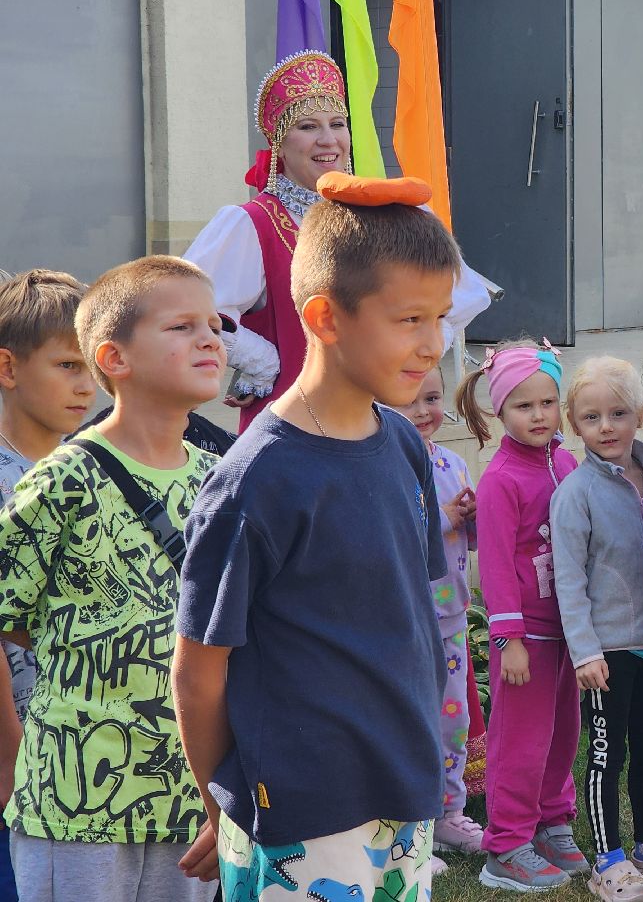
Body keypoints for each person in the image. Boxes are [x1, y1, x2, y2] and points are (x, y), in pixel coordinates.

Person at [172, 177, 462, 900]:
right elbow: (197, 672)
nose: (433, 346)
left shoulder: (401, 441)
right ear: (326, 317)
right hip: (296, 813)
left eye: (441, 317)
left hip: (402, 788)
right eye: (409, 320)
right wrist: (221, 804)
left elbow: (405, 618)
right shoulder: (254, 483)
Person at [0, 256, 227, 902]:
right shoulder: (62, 480)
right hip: (74, 806)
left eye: (215, 324)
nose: (210, 338)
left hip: (186, 803)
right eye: (182, 326)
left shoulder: (221, 481)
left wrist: (223, 789)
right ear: (115, 359)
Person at [183, 50, 497, 431]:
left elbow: (462, 295)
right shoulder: (251, 225)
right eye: (308, 127)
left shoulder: (384, 212)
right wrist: (265, 362)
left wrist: (413, 352)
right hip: (292, 428)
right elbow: (192, 309)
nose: (328, 140)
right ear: (279, 142)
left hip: (380, 425)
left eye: (337, 124)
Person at [551, 356, 643, 902]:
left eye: (617, 413)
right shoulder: (575, 494)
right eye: (591, 418)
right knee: (606, 756)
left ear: (639, 414)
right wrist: (585, 651)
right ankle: (607, 859)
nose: (606, 427)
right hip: (607, 653)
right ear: (574, 424)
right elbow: (568, 581)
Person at [457, 340, 585, 892]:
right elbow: (497, 569)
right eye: (523, 406)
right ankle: (506, 844)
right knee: (521, 742)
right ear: (499, 412)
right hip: (527, 638)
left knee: (563, 733)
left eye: (548, 403)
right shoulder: (500, 479)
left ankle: (553, 823)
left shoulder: (567, 461)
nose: (539, 416)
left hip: (570, 632)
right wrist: (507, 639)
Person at [0, 269, 94, 902]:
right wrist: (9, 769)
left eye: (93, 366)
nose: (86, 386)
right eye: (66, 364)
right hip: (21, 770)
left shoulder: (93, 467)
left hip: (85, 765)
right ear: (7, 367)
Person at [398, 367, 485, 873]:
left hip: (450, 617)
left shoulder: (452, 462)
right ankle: (412, 825)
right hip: (405, 623)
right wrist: (447, 519)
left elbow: (467, 539)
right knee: (412, 723)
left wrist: (471, 518)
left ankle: (449, 813)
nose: (425, 411)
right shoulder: (388, 467)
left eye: (432, 398)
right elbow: (390, 535)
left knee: (452, 724)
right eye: (411, 402)